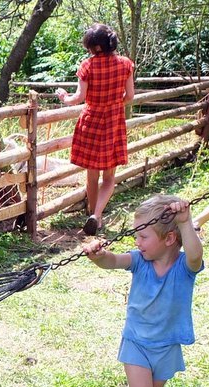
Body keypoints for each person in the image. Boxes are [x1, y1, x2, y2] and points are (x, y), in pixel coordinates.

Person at [82, 194, 204, 387]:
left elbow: (195, 254)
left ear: (169, 239)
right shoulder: (139, 261)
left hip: (167, 345)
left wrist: (185, 221)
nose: (137, 242)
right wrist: (98, 256)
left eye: (143, 236)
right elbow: (113, 260)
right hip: (137, 343)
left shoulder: (185, 268)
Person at [56, 24, 135, 235]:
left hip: (91, 122)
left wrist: (64, 97)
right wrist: (114, 104)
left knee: (92, 175)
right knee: (109, 177)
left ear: (93, 46)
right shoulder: (125, 64)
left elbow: (79, 98)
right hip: (113, 121)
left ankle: (93, 215)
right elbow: (130, 96)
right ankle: (97, 215)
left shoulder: (87, 66)